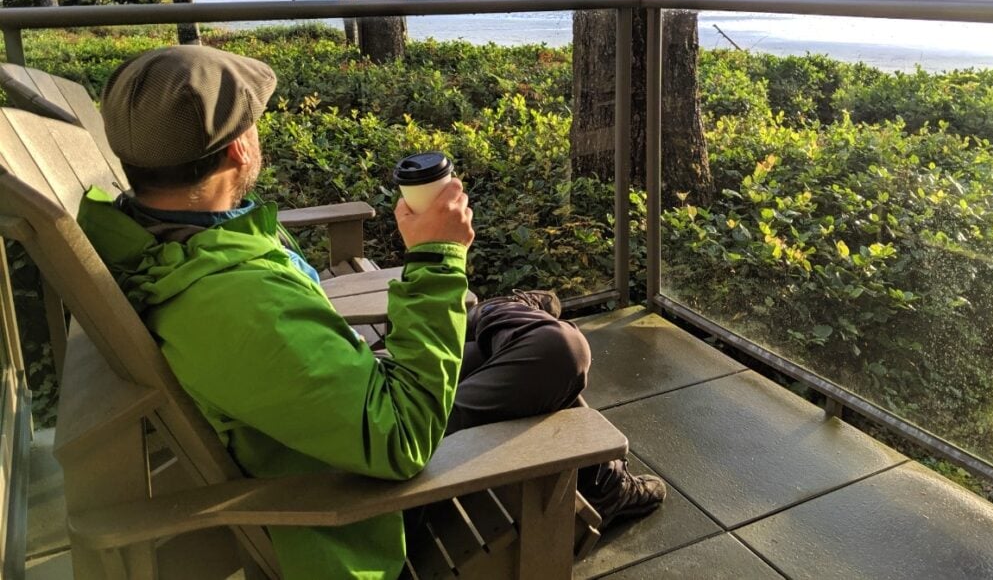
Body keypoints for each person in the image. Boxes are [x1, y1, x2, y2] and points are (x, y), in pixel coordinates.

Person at [77, 45, 665, 579]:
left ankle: (524, 333)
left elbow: (304, 356)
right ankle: (527, 334)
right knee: (557, 350)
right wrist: (437, 257)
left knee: (517, 334)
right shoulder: (227, 302)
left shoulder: (176, 245)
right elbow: (401, 441)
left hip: (337, 410)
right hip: (358, 491)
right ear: (238, 147)